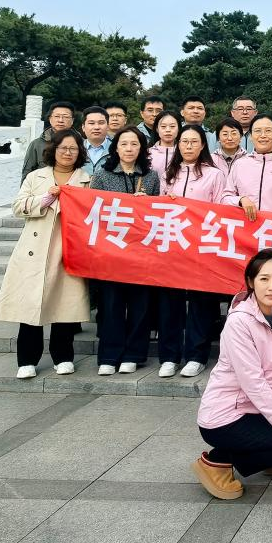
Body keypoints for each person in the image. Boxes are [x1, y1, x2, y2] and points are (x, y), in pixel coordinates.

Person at [193, 249, 272, 500]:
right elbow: (254, 385)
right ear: (251, 282)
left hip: (258, 407)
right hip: (227, 416)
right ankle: (217, 462)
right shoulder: (239, 323)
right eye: (264, 279)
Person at [0, 129, 91, 378]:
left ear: (80, 152)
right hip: (35, 250)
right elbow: (18, 207)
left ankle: (63, 356)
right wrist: (47, 197)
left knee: (65, 307)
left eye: (73, 148)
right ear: (53, 150)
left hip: (68, 249)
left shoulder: (87, 180)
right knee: (30, 306)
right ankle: (27, 360)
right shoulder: (35, 176)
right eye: (63, 148)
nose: (68, 153)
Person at [90, 127, 161, 375]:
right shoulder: (102, 175)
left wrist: (146, 204)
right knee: (111, 305)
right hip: (112, 251)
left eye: (134, 144)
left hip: (141, 251)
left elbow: (158, 214)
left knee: (140, 305)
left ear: (141, 148)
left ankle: (134, 354)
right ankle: (109, 356)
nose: (129, 149)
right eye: (124, 144)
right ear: (116, 148)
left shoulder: (151, 176)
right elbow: (93, 210)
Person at [160, 124, 228, 379]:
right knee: (171, 304)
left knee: (201, 304)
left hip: (202, 248)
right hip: (173, 246)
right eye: (184, 142)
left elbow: (221, 210)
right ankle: (169, 356)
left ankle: (196, 356)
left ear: (202, 146)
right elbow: (159, 207)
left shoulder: (214, 174)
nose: (188, 146)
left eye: (194, 142)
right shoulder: (169, 173)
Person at [223, 114, 272, 218]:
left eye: (268, 131)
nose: (263, 135)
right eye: (257, 131)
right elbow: (225, 198)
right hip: (245, 226)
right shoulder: (239, 164)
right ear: (251, 136)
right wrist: (240, 200)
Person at [21, 101, 76, 182]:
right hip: (42, 188)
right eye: (57, 116)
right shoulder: (37, 144)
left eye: (66, 117)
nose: (60, 120)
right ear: (50, 119)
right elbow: (27, 172)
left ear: (72, 120)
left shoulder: (81, 143)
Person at [149, 110, 181, 178]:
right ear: (157, 129)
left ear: (178, 128)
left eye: (172, 126)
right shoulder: (148, 153)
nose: (168, 130)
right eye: (163, 126)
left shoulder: (183, 153)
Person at [81, 106, 111, 173]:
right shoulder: (76, 149)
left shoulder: (116, 149)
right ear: (83, 127)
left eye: (101, 123)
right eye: (91, 123)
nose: (96, 127)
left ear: (108, 127)